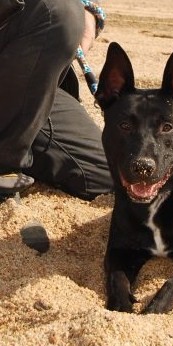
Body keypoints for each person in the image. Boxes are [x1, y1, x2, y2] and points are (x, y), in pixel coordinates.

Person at [0, 0, 113, 202]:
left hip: (20, 66)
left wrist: (87, 8)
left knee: (103, 173)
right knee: (57, 11)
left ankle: (15, 141)